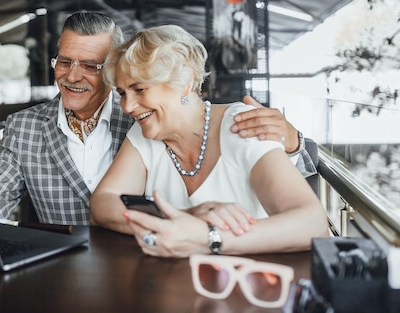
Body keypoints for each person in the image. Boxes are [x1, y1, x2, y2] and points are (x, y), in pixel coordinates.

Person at [0, 12, 314, 226]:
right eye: (64, 61)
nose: (72, 76)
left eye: (90, 66)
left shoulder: (148, 120)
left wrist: (295, 141)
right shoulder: (25, 128)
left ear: (115, 69)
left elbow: (224, 138)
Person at [89, 25, 328, 257]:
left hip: (251, 286)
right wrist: (186, 217)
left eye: (139, 89)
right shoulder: (143, 133)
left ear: (184, 84)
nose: (128, 106)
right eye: (122, 93)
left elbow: (312, 224)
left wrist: (208, 237)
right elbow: (102, 205)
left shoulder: (242, 124)